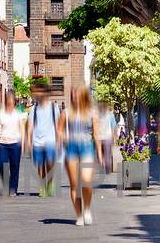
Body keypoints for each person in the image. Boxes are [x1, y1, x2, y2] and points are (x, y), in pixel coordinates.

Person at [63, 87, 102, 226]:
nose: (74, 97)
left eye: (76, 94)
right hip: (71, 149)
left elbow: (96, 134)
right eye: (72, 94)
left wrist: (100, 153)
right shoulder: (66, 113)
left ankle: (87, 209)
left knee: (86, 182)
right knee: (74, 185)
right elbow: (59, 131)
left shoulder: (92, 113)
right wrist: (63, 138)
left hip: (86, 148)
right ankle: (79, 215)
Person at [27, 84, 60, 197]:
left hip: (51, 140)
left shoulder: (53, 108)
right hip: (37, 141)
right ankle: (42, 186)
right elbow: (30, 126)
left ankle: (49, 182)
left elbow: (57, 126)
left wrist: (59, 140)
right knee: (40, 165)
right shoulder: (34, 109)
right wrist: (28, 141)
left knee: (50, 163)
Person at [0, 90, 26, 197]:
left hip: (15, 144)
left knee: (14, 167)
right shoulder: (0, 114)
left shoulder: (18, 114)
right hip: (2, 144)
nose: (10, 104)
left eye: (11, 102)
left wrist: (23, 145)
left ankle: (13, 189)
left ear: (14, 102)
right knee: (3, 166)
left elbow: (22, 130)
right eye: (8, 101)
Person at [97, 102, 119, 178]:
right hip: (107, 137)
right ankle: (107, 168)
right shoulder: (110, 115)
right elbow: (113, 127)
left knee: (101, 153)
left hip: (100, 137)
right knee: (107, 153)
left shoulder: (98, 115)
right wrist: (113, 137)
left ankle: (102, 165)